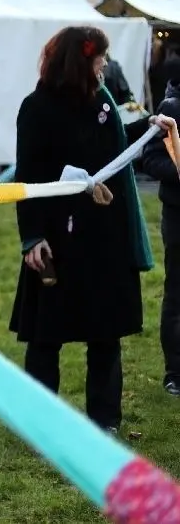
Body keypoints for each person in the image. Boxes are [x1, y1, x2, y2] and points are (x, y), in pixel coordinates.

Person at [12, 25, 174, 434]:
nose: (105, 63)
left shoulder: (100, 99)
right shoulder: (37, 108)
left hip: (104, 235)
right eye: (99, 56)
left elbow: (112, 148)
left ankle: (105, 421)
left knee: (105, 333)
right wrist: (32, 237)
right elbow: (27, 178)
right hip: (57, 236)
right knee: (46, 336)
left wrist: (149, 126)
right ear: (79, 60)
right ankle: (40, 423)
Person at [141, 73, 180, 397]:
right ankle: (175, 372)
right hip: (178, 214)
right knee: (178, 293)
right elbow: (150, 158)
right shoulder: (172, 107)